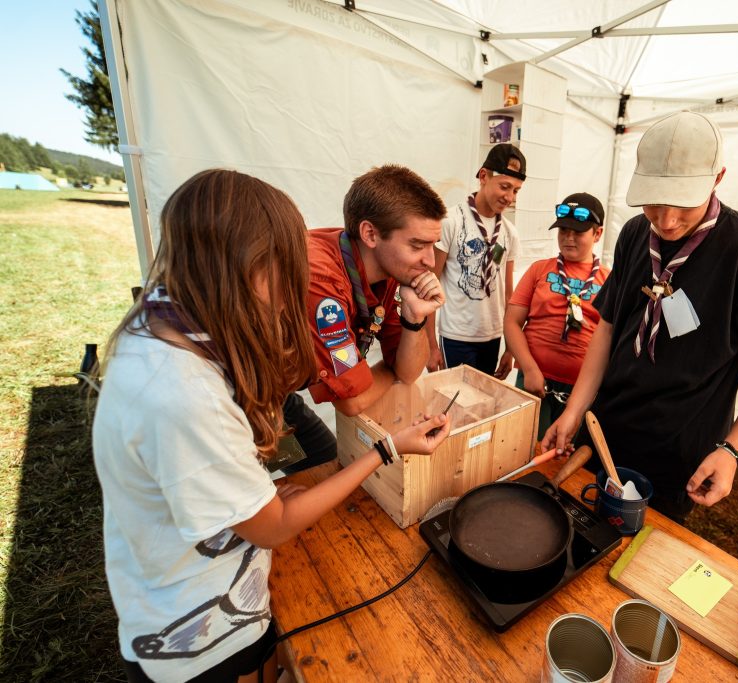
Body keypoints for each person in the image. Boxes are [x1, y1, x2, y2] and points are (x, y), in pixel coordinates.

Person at [92, 169, 451, 682]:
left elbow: (403, 373)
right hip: (197, 638)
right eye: (285, 271)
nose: (291, 300)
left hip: (212, 602)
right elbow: (273, 523)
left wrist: (413, 327)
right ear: (242, 268)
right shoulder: (185, 395)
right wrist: (386, 449)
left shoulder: (170, 336)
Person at [542, 111, 738, 523]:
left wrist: (733, 450)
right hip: (607, 427)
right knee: (582, 523)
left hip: (682, 447)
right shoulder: (633, 234)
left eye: (682, 203)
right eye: (653, 201)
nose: (665, 220)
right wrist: (575, 409)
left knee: (643, 547)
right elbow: (608, 327)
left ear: (717, 178)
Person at [304, 164, 447, 417]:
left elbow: (409, 372)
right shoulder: (320, 275)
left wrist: (415, 319)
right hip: (235, 397)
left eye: (432, 246)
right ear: (370, 234)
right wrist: (389, 370)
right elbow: (352, 402)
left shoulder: (390, 270)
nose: (431, 262)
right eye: (417, 246)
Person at [504, 192, 610, 439]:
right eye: (563, 231)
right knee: (524, 448)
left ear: (598, 233)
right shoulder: (539, 269)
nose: (568, 238)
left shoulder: (610, 280)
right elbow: (512, 322)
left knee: (563, 452)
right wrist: (529, 370)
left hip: (581, 392)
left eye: (578, 232)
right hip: (533, 382)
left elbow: (611, 340)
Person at [427, 143, 524, 378]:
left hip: (492, 337)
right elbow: (429, 286)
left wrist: (511, 348)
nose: (509, 197)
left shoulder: (509, 232)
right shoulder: (450, 221)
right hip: (456, 337)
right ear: (483, 176)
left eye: (516, 191)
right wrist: (430, 346)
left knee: (484, 407)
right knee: (457, 408)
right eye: (504, 186)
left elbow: (510, 296)